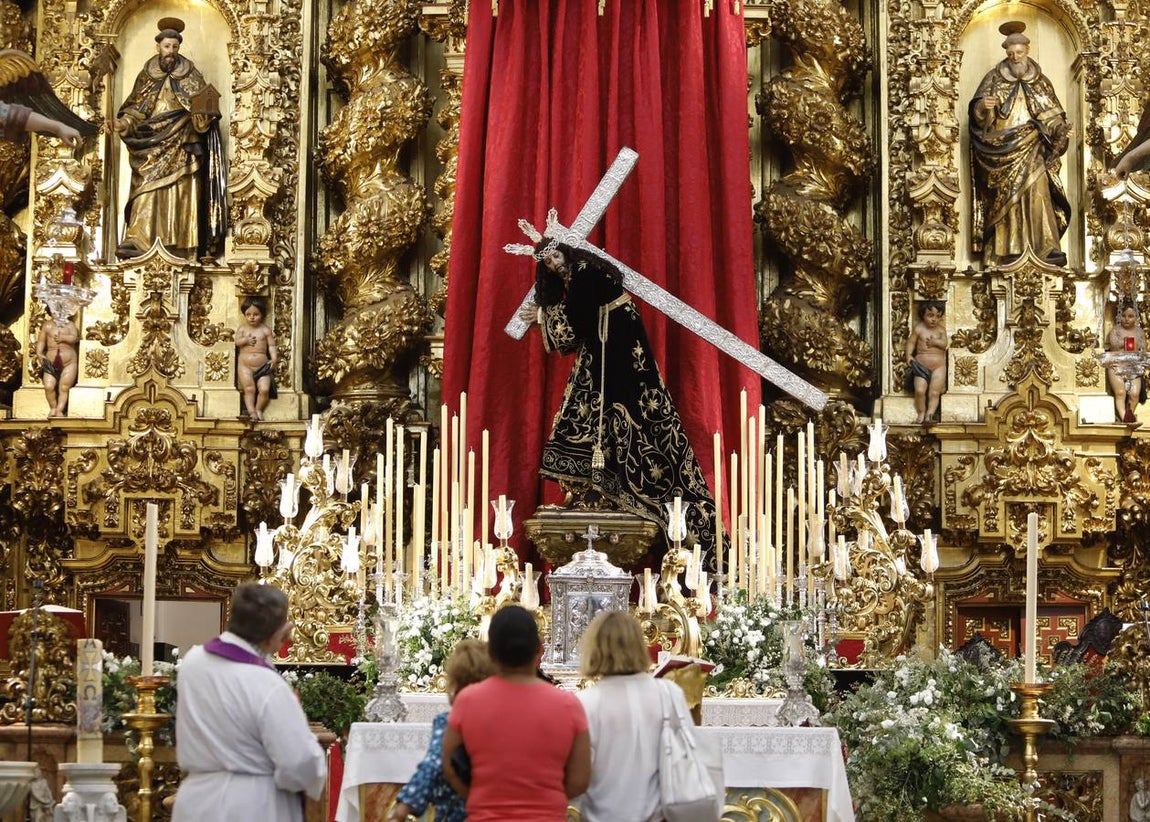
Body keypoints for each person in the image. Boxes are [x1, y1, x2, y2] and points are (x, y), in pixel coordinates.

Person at [517, 236, 721, 558]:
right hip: (607, 343)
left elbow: (580, 319)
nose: (555, 264)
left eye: (556, 255)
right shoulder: (579, 275)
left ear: (565, 251)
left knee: (618, 407)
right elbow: (580, 318)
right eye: (549, 263)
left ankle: (609, 475)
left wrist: (542, 318)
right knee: (591, 403)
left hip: (615, 343)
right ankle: (594, 478)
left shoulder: (584, 271)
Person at [172, 582, 326, 822]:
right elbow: (300, 764)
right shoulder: (268, 684)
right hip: (252, 805)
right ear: (276, 634)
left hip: (196, 800)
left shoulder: (192, 663)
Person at [442, 604, 590, 821]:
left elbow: (450, 768)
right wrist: (542, 800)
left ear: (491, 652)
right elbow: (579, 780)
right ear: (539, 649)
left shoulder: (468, 701)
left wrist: (483, 799)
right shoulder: (567, 705)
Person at [112, 18, 226, 260]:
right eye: (167, 47)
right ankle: (138, 238)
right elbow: (136, 107)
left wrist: (203, 118)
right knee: (145, 190)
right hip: (151, 142)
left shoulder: (191, 74)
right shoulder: (147, 75)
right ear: (158, 47)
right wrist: (123, 123)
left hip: (183, 137)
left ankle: (184, 244)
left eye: (175, 47)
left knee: (181, 189)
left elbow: (202, 110)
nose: (171, 52)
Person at [969, 21, 1071, 267]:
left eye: (1019, 53)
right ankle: (1007, 249)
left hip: (1032, 145)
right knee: (1008, 201)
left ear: (1027, 50)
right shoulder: (993, 78)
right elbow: (977, 112)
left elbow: (1053, 114)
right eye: (1011, 53)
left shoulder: (1040, 81)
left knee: (1039, 192)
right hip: (1001, 150)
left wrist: (1060, 129)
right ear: (1007, 53)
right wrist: (984, 107)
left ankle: (1046, 247)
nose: (1015, 57)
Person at [576, 610, 693, 822]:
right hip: (657, 815)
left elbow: (578, 774)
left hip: (602, 816)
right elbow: (687, 753)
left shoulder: (586, 702)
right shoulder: (669, 693)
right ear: (639, 645)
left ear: (594, 649)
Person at [389, 638, 493, 822]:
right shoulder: (500, 720)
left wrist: (404, 806)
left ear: (455, 684)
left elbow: (433, 765)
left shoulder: (450, 722)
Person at [904, 300, 947, 425]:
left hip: (939, 367)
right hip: (921, 366)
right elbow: (911, 343)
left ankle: (930, 414)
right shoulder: (919, 329)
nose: (934, 319)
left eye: (938, 316)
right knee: (920, 391)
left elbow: (944, 344)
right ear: (923, 315)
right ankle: (921, 411)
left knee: (934, 392)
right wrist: (908, 356)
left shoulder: (941, 330)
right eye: (930, 315)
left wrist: (936, 342)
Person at [235, 297, 278, 421]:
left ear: (262, 314)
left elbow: (271, 346)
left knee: (264, 389)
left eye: (256, 314)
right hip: (245, 365)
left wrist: (274, 358)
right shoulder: (243, 329)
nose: (252, 317)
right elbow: (237, 342)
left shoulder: (265, 330)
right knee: (249, 389)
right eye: (248, 314)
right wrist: (246, 340)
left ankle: (258, 408)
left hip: (263, 366)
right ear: (244, 315)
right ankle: (251, 412)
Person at [34, 308, 78, 418]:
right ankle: (53, 407)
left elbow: (74, 338)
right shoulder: (47, 325)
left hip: (69, 361)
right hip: (51, 361)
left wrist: (63, 338)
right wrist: (39, 353)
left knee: (64, 387)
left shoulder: (70, 324)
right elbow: (41, 341)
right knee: (49, 386)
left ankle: (59, 409)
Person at [1107, 302, 1146, 423]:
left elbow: (1143, 350)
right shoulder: (1115, 331)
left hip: (1133, 366)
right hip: (1116, 365)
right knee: (1120, 392)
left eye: (1130, 316)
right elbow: (1114, 346)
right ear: (1119, 317)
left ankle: (1129, 414)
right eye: (1124, 316)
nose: (1127, 319)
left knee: (1134, 394)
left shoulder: (1139, 332)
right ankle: (1124, 417)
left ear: (1136, 317)